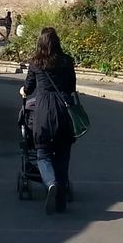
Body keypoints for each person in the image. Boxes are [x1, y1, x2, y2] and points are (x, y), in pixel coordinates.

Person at [19, 26, 77, 215]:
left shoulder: (36, 63)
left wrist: (24, 92)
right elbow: (71, 87)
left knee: (43, 154)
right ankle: (60, 202)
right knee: (62, 157)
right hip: (63, 111)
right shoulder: (67, 61)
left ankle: (50, 183)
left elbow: (28, 87)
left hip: (43, 111)